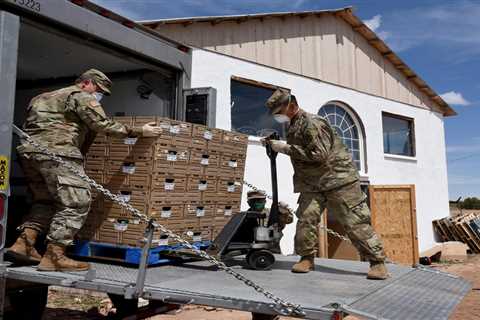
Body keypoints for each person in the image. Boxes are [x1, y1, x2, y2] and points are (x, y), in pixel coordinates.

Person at [6, 69, 163, 272]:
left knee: (44, 200)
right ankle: (55, 255)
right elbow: (101, 124)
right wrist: (141, 131)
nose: (98, 95)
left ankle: (23, 244)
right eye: (98, 89)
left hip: (29, 154)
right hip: (57, 153)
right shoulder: (80, 96)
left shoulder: (42, 97)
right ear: (86, 83)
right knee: (77, 202)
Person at [262, 88, 389, 280]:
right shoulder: (294, 125)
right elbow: (301, 150)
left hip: (338, 179)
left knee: (354, 222)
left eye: (279, 112)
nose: (278, 116)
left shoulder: (313, 123)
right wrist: (276, 145)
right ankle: (306, 259)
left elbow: (318, 155)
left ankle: (378, 262)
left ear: (291, 105)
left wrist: (285, 148)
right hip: (313, 183)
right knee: (306, 219)